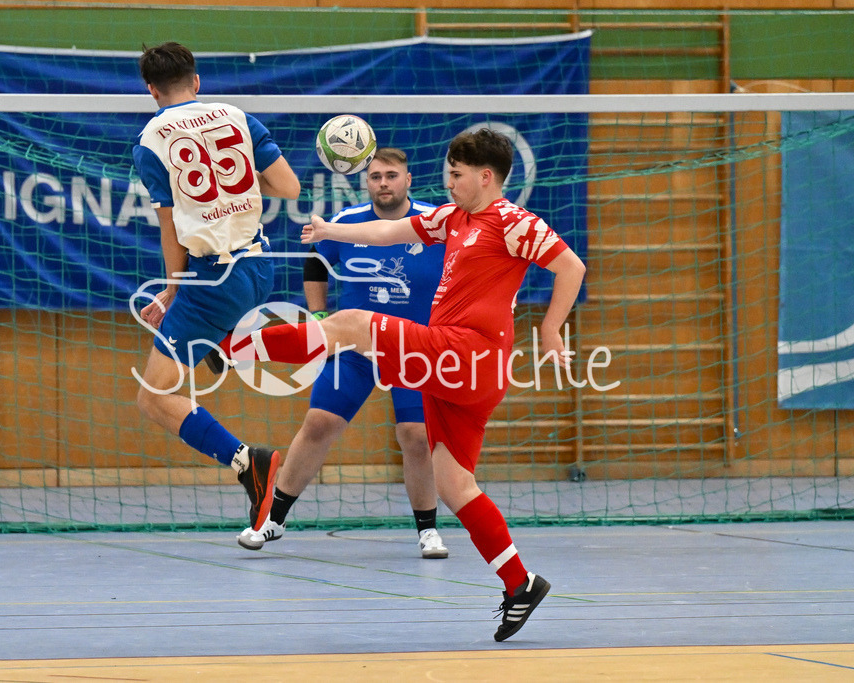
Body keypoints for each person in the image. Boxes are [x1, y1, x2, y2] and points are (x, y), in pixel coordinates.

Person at [227, 128, 586, 641]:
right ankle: (520, 583)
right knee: (455, 484)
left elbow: (571, 265)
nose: (449, 182)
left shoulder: (512, 221)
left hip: (469, 352)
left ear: (486, 177)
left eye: (456, 175)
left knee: (351, 324)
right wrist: (332, 232)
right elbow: (389, 233)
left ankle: (229, 345)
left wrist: (550, 328)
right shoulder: (452, 218)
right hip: (457, 368)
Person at [236, 148, 449, 559]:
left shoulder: (434, 223)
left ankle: (428, 531)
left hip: (415, 348)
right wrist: (319, 317)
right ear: (365, 182)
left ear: (408, 180)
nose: (382, 183)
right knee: (318, 423)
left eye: (391, 176)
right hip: (354, 345)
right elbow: (316, 262)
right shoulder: (344, 223)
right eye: (375, 177)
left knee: (417, 437)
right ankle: (272, 521)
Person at [131, 42, 301, 530]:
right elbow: (289, 187)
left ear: (151, 89)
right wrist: (242, 189)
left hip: (213, 277)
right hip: (259, 266)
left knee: (153, 396)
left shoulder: (150, 140)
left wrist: (173, 287)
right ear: (197, 81)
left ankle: (248, 462)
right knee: (206, 336)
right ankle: (226, 345)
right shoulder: (235, 116)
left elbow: (170, 229)